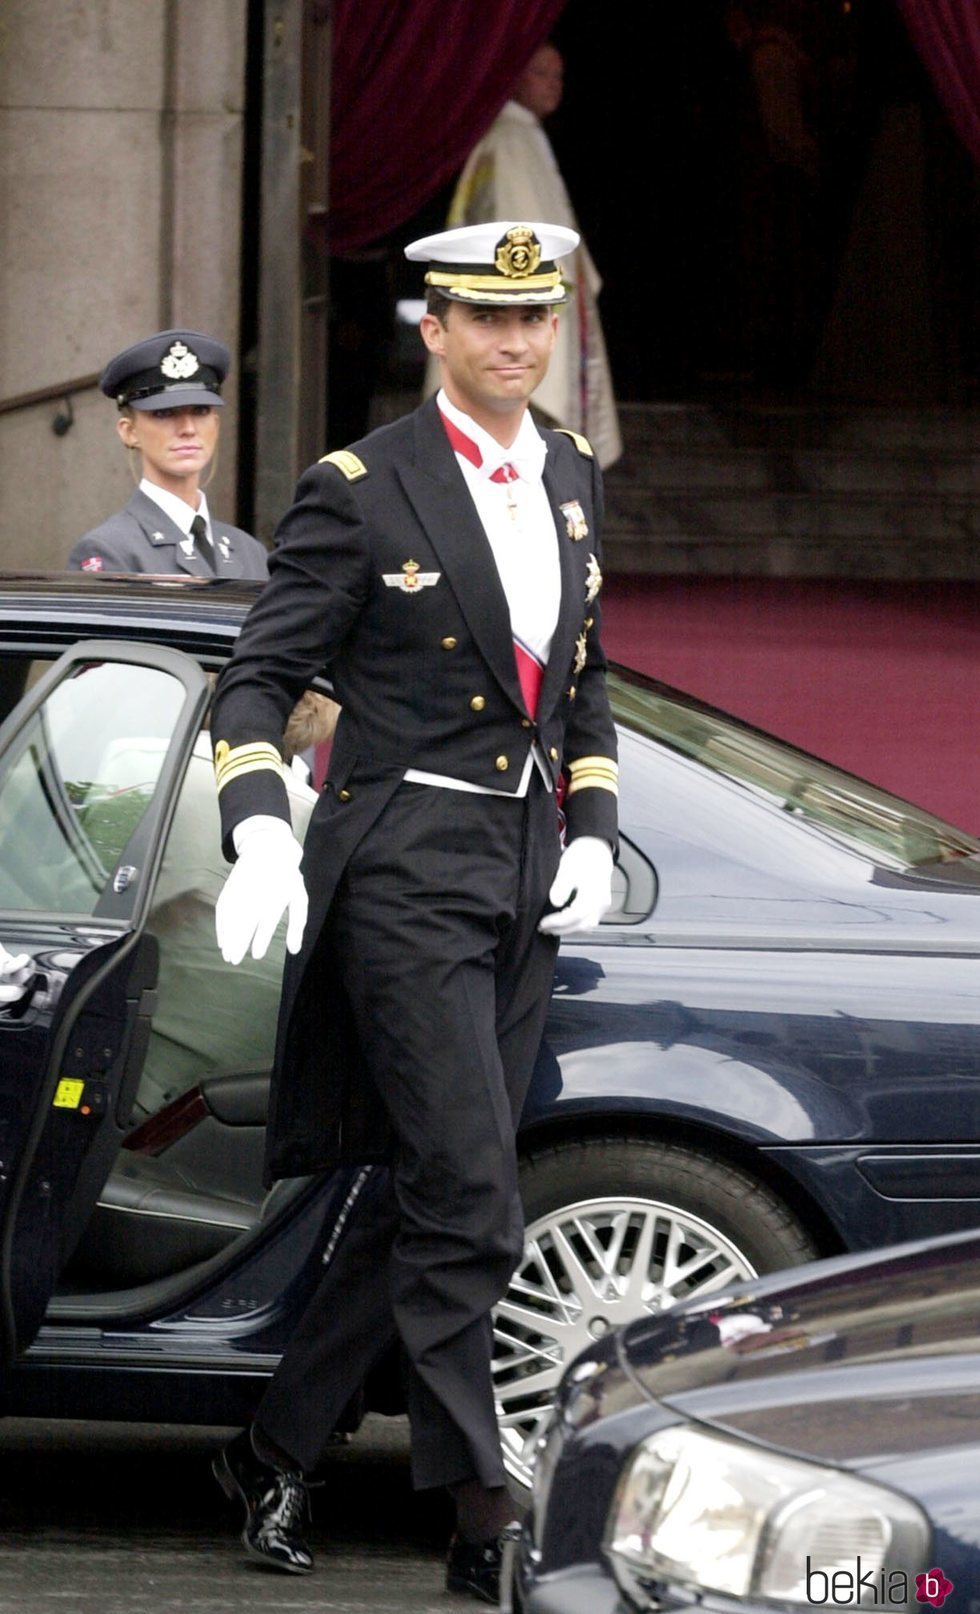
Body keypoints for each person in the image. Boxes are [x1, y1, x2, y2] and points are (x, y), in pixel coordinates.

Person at [207, 220, 619, 1600]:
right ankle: (477, 1508)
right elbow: (253, 684)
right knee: (472, 1197)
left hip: (521, 868)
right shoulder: (360, 488)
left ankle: (272, 1444)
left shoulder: (569, 474)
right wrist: (262, 830)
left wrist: (598, 822)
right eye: (486, 320)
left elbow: (585, 672)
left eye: (537, 320)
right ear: (430, 329)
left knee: (425, 1198)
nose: (517, 344)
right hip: (398, 864)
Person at [136, 691, 339, 1119]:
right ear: (322, 720)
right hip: (230, 1103)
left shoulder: (142, 763)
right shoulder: (324, 827)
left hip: (121, 1060)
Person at [442, 44, 622, 468]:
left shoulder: (524, 135)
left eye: (559, 76)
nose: (554, 86)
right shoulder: (509, 139)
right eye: (542, 74)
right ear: (516, 76)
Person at [67, 329, 269, 579]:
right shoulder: (109, 552)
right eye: (164, 413)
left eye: (200, 410)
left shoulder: (251, 552)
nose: (187, 428)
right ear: (129, 432)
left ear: (215, 426)